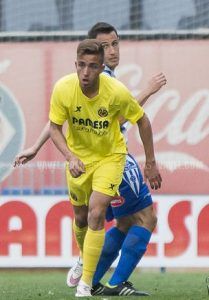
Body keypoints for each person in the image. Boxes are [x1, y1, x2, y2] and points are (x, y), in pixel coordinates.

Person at [14, 24, 166, 297]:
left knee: (111, 219)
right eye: (105, 46)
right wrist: (148, 91)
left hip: (110, 157)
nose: (112, 51)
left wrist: (36, 147)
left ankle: (90, 277)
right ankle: (102, 277)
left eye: (115, 44)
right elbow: (115, 118)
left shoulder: (107, 80)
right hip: (98, 157)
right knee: (143, 218)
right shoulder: (95, 77)